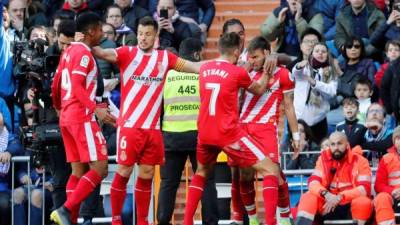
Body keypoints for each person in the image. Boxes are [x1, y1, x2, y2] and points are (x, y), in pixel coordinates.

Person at [91, 16, 207, 225]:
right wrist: (85, 44)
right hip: (130, 127)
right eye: (141, 34)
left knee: (145, 174)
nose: (143, 38)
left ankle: (143, 221)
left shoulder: (165, 58)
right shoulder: (127, 53)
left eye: (148, 34)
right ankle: (116, 220)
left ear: (156, 36)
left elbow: (194, 66)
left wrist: (222, 64)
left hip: (152, 129)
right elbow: (102, 53)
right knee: (124, 170)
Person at [182, 31, 293, 225]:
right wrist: (267, 72)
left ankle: (186, 221)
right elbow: (258, 89)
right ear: (236, 52)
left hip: (205, 132)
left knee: (200, 174)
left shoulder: (206, 67)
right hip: (228, 133)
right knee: (270, 170)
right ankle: (270, 222)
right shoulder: (237, 71)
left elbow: (187, 66)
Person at [49, 12, 112, 225]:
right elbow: (76, 86)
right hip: (81, 117)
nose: (102, 33)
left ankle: (70, 220)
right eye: (100, 29)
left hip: (67, 117)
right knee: (101, 168)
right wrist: (97, 110)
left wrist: (60, 108)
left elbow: (55, 84)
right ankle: (66, 210)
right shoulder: (83, 53)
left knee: (78, 171)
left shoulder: (67, 52)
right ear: (91, 31)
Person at [235, 36, 300, 225]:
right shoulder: (244, 71)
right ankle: (254, 219)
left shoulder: (283, 74)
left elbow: (289, 106)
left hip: (267, 129)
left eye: (255, 57)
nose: (251, 61)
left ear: (266, 54)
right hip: (244, 127)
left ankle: (278, 219)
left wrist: (296, 136)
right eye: (250, 57)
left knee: (273, 173)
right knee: (245, 175)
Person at [157, 38, 218, 225]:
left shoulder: (167, 75)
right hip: (199, 137)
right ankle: (210, 222)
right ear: (197, 54)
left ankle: (163, 221)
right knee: (205, 181)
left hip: (171, 137)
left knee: (168, 184)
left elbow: (159, 108)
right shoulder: (203, 74)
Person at [294, 132, 373, 225]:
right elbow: (313, 183)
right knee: (308, 197)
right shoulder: (323, 159)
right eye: (333, 144)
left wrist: (341, 197)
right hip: (328, 203)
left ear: (347, 145)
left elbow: (364, 189)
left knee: (363, 202)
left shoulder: (360, 161)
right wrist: (326, 194)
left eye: (339, 143)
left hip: (350, 204)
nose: (336, 147)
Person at [293, 42, 340, 144]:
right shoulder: (304, 67)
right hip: (298, 117)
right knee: (296, 148)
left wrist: (315, 83)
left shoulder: (331, 71)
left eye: (323, 51)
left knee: (318, 151)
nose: (320, 53)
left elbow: (332, 91)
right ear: (312, 54)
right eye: (317, 51)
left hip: (318, 119)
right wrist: (298, 66)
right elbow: (296, 73)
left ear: (327, 54)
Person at [374, 125, 400, 225]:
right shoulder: (386, 159)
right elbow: (378, 185)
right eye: (397, 138)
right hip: (392, 196)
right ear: (394, 141)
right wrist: (393, 191)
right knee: (381, 198)